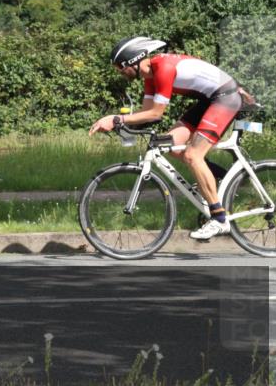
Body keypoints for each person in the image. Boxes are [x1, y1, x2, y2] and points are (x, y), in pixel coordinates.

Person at [88, 36, 250, 241]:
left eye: (120, 67)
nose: (119, 72)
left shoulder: (163, 68)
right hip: (209, 100)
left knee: (192, 155)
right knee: (170, 145)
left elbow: (156, 113)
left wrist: (116, 119)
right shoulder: (150, 77)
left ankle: (219, 219)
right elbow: (146, 114)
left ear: (133, 60)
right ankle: (217, 177)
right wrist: (122, 125)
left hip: (226, 97)